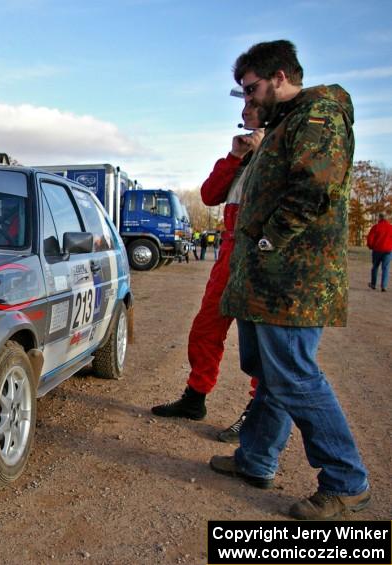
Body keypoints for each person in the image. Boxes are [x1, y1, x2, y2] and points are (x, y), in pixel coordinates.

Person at [212, 40, 370, 521]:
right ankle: (256, 459)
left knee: (295, 377)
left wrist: (267, 240)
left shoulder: (318, 114)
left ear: (280, 77)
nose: (248, 101)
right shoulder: (282, 125)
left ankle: (346, 481)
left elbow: (315, 188)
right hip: (267, 281)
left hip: (293, 281)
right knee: (272, 376)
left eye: (251, 89)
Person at [152, 101, 264, 442]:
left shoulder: (282, 148)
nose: (245, 111)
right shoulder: (243, 155)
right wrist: (234, 157)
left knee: (260, 341)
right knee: (205, 328)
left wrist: (264, 153)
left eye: (252, 103)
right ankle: (195, 398)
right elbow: (210, 194)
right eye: (243, 103)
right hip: (230, 250)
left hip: (260, 253)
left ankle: (258, 415)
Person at [366, 212, 392, 291]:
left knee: (375, 267)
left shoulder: (375, 227)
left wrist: (371, 246)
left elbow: (370, 238)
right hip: (388, 250)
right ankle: (383, 286)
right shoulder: (390, 227)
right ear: (386, 218)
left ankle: (373, 284)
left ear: (380, 218)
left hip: (377, 250)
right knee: (386, 268)